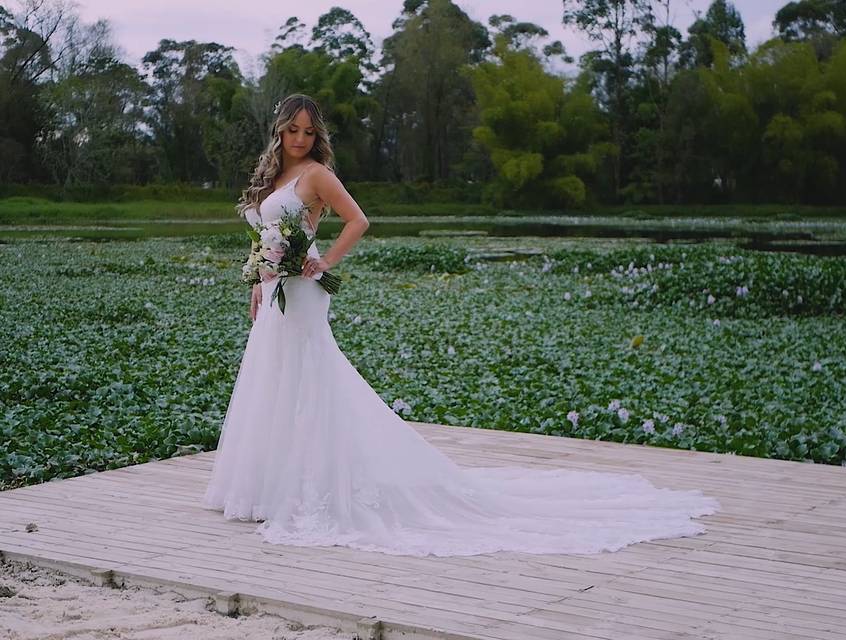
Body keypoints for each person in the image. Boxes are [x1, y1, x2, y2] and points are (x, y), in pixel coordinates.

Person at [201, 93, 721, 556]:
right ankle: (272, 485)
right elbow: (266, 233)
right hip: (274, 289)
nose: (299, 139)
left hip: (306, 290)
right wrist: (258, 280)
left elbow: (359, 221)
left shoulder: (317, 174)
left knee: (309, 377)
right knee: (274, 376)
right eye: (292, 129)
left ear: (318, 136)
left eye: (308, 131)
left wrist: (324, 262)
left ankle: (313, 487)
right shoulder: (272, 174)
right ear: (279, 130)